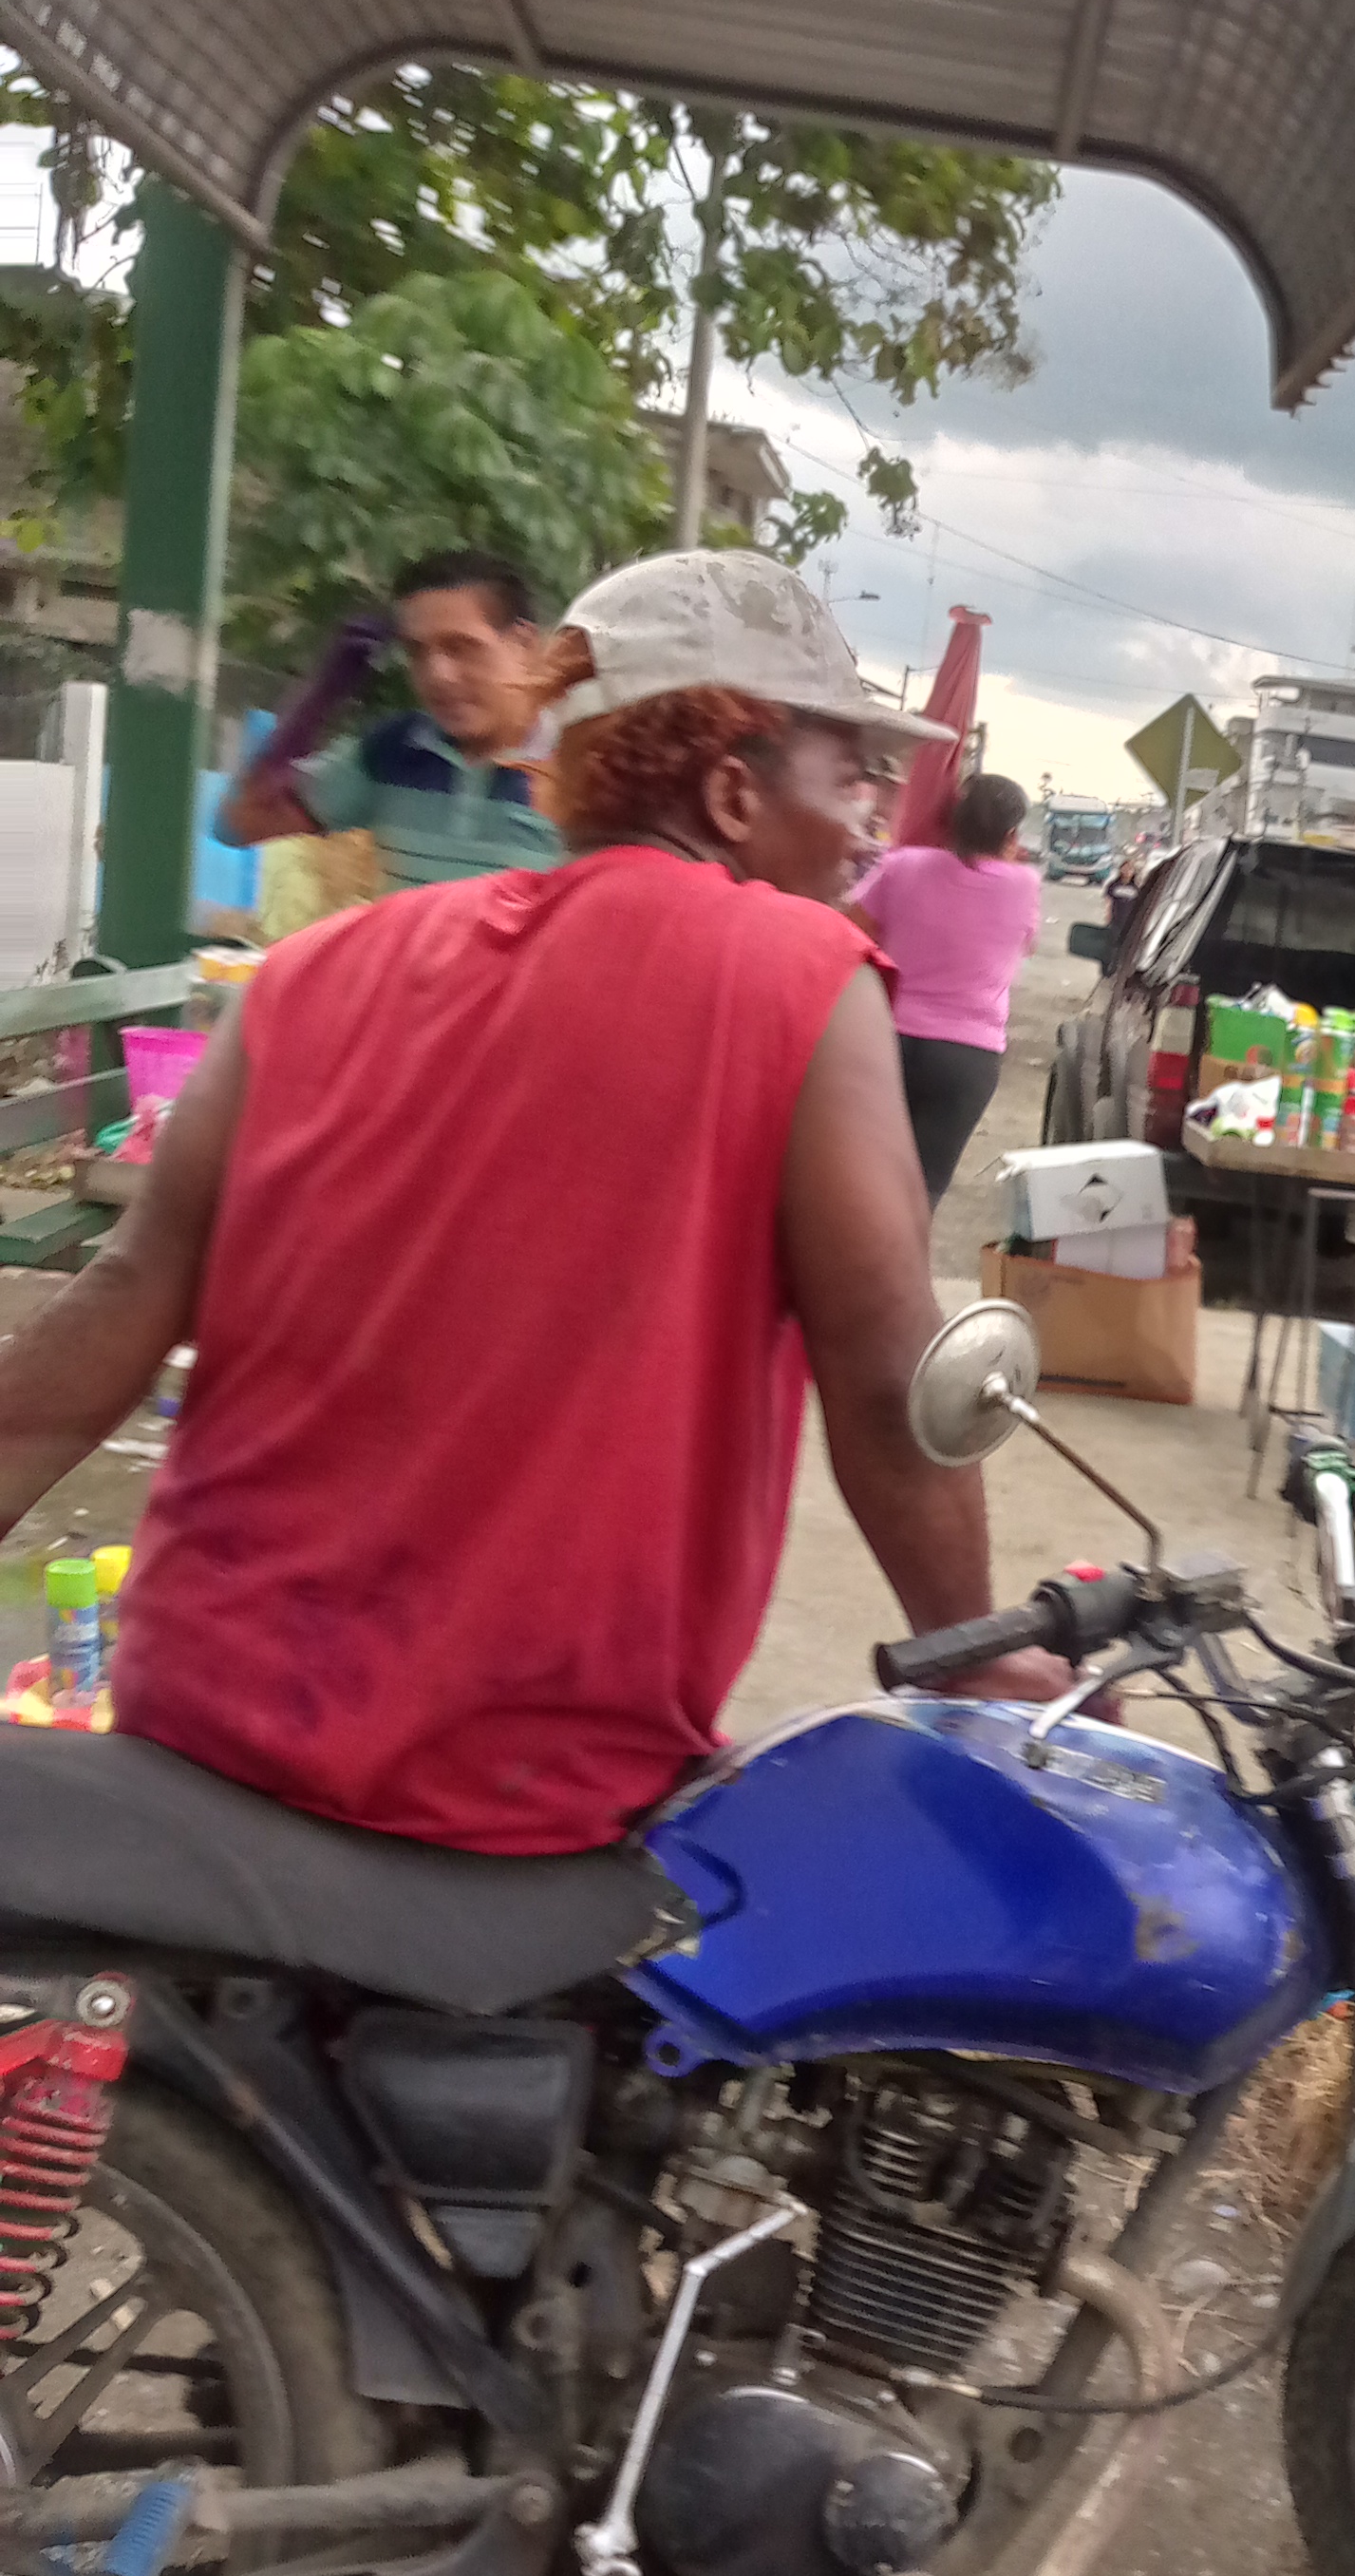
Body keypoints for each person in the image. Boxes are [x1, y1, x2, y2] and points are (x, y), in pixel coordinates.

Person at [0, 550, 1065, 1860]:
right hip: (507, 1799)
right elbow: (890, 1372)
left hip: (189, 1735)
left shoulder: (314, 968)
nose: (869, 830)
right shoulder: (798, 970)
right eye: (850, 778)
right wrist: (969, 1649)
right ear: (732, 790)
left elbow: (124, 1292)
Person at [216, 546, 561, 892]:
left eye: (461, 647)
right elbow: (238, 826)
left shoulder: (578, 769)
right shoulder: (394, 751)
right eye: (417, 652)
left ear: (524, 645)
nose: (437, 674)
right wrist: (317, 702)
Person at [849, 768, 1044, 1205]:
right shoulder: (1024, 886)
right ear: (1011, 835)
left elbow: (851, 928)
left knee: (861, 1174)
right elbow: (1026, 943)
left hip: (885, 1038)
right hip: (967, 1057)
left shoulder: (901, 865)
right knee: (922, 1188)